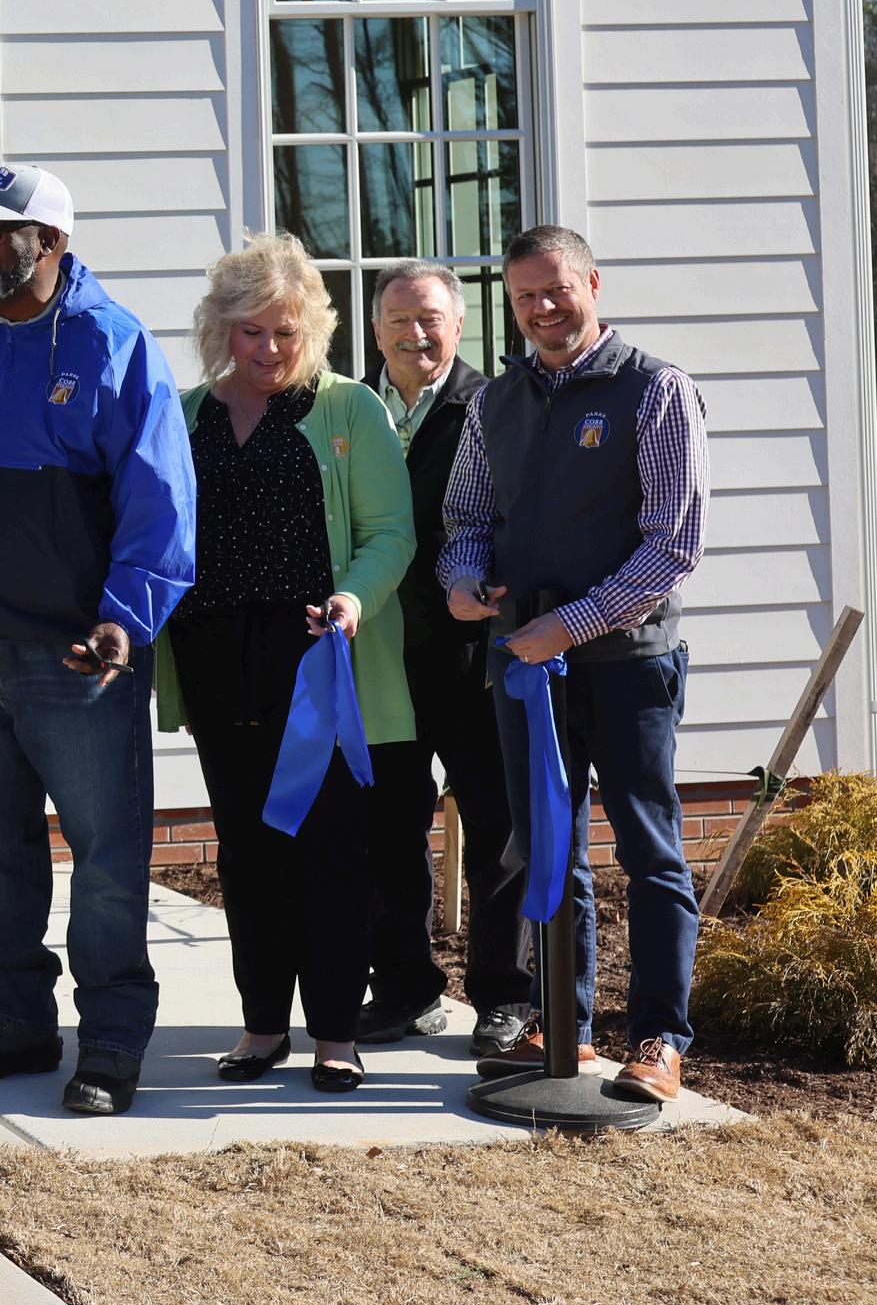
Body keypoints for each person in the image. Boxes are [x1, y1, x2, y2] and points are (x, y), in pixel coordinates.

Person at [0, 165, 194, 1116]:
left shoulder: (113, 342)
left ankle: (110, 1039)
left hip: (76, 655)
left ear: (51, 242)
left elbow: (160, 502)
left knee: (106, 859)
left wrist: (122, 620)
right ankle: (17, 1020)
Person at [440, 225, 711, 1104]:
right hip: (526, 665)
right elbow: (466, 518)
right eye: (524, 296)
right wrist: (460, 582)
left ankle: (660, 1041)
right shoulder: (495, 401)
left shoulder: (654, 390)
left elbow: (672, 546)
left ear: (591, 284)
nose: (542, 308)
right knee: (549, 848)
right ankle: (567, 1027)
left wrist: (571, 625)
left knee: (650, 852)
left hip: (628, 662)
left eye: (556, 289)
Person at [151, 234, 413, 1092]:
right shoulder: (184, 413)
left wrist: (351, 601)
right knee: (246, 851)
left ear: (313, 332)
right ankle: (261, 1027)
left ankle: (335, 1035)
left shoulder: (349, 410)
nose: (268, 348)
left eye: (285, 332)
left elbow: (389, 535)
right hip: (213, 661)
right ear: (219, 329)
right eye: (250, 331)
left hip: (315, 661)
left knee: (329, 852)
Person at [363, 261, 526, 1057]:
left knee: (496, 832)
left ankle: (504, 998)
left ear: (458, 325)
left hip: (470, 658)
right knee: (387, 833)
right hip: (374, 659)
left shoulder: (493, 408)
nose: (414, 333)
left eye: (429, 318)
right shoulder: (347, 408)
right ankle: (404, 990)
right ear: (374, 330)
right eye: (398, 319)